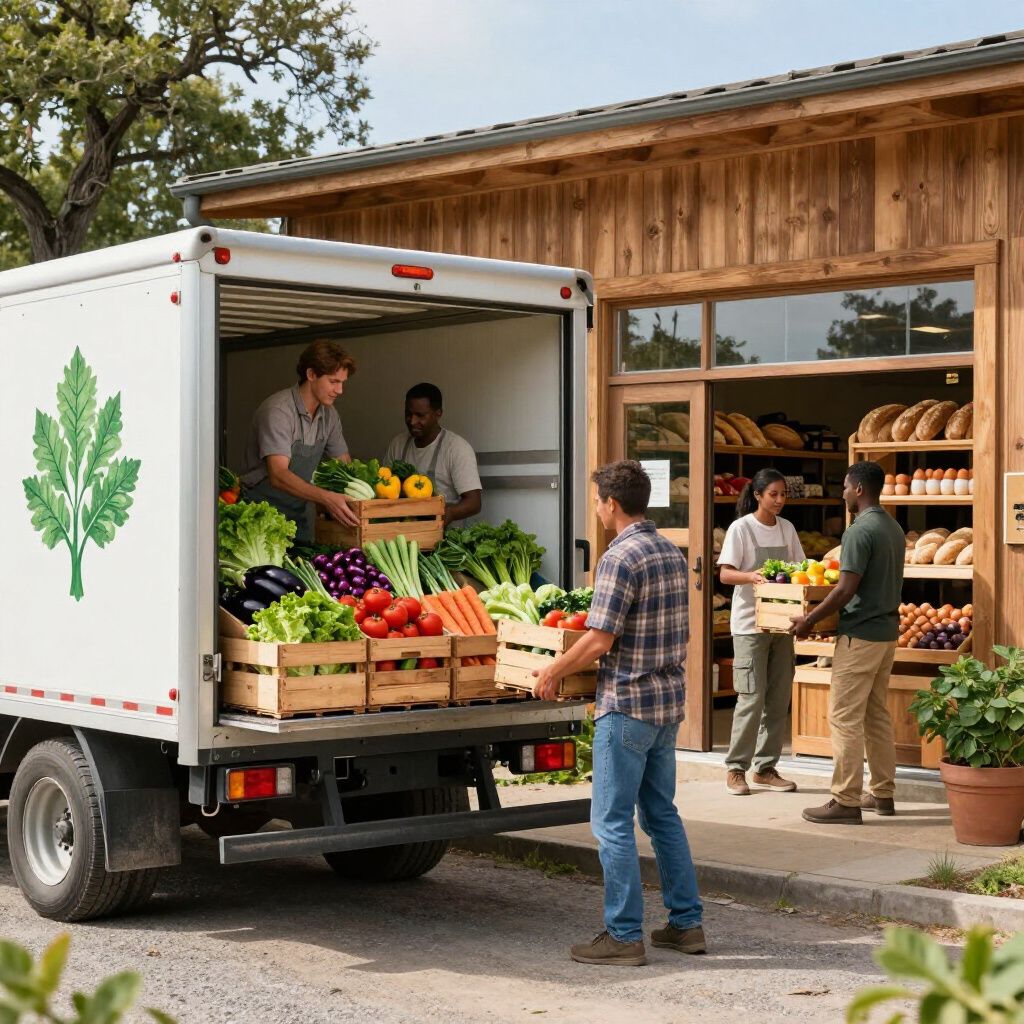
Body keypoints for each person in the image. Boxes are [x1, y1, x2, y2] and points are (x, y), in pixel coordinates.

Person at [532, 460, 703, 967]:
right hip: (667, 706)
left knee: (611, 822)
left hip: (626, 705)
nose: (598, 510)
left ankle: (624, 934)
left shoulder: (619, 556)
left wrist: (554, 671)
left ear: (611, 503)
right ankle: (686, 924)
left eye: (599, 502)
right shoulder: (671, 551)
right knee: (662, 816)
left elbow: (599, 638)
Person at [790, 461, 905, 825]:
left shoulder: (859, 531)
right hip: (886, 634)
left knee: (844, 717)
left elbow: (844, 589)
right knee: (876, 715)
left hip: (860, 635)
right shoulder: (893, 528)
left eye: (844, 487)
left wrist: (808, 620)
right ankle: (883, 794)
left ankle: (845, 800)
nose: (841, 493)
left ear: (858, 489)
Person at [718, 468, 805, 796]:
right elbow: (725, 575)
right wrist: (752, 576)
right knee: (751, 697)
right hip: (749, 625)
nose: (780, 500)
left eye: (783, 494)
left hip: (782, 624)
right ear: (757, 495)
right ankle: (736, 768)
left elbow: (800, 568)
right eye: (773, 494)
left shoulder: (787, 529)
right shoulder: (741, 529)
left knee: (779, 696)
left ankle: (766, 767)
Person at [240, 339, 360, 543]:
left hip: (298, 518)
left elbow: (344, 465)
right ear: (311, 374)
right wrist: (327, 498)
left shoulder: (329, 415)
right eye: (333, 381)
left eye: (342, 382)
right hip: (259, 517)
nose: (340, 390)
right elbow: (278, 475)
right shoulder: (278, 411)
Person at [384, 382, 482, 527]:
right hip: (404, 533)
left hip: (445, 538)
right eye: (408, 414)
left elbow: (474, 502)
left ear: (438, 413)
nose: (412, 421)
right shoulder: (398, 444)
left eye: (420, 415)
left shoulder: (456, 448)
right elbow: (383, 487)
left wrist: (449, 513)